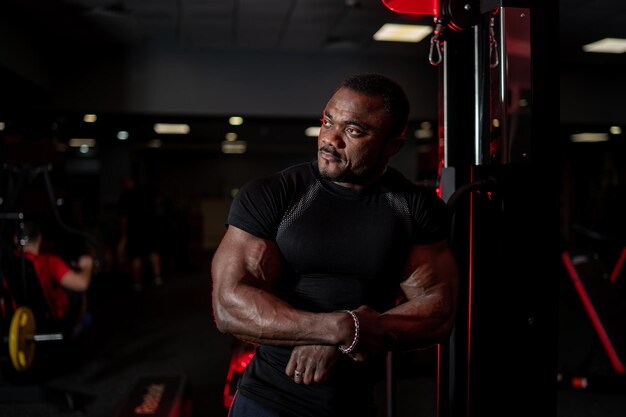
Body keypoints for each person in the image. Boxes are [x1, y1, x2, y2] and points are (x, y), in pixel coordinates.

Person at [211, 73, 459, 417]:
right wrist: (337, 328)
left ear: (392, 146)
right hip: (268, 400)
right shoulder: (275, 195)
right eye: (327, 122)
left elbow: (439, 310)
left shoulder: (413, 207)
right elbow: (228, 306)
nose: (330, 139)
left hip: (354, 404)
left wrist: (353, 333)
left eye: (353, 131)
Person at [15, 220, 93, 336]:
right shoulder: (48, 262)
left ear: (16, 239)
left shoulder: (9, 262)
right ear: (40, 238)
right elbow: (82, 283)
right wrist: (87, 266)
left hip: (17, 321)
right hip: (47, 323)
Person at [117, 178, 164, 291]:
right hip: (149, 228)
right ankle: (157, 278)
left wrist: (123, 233)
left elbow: (124, 218)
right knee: (152, 252)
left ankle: (138, 282)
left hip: (135, 230)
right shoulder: (146, 191)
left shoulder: (126, 197)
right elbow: (159, 200)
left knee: (136, 256)